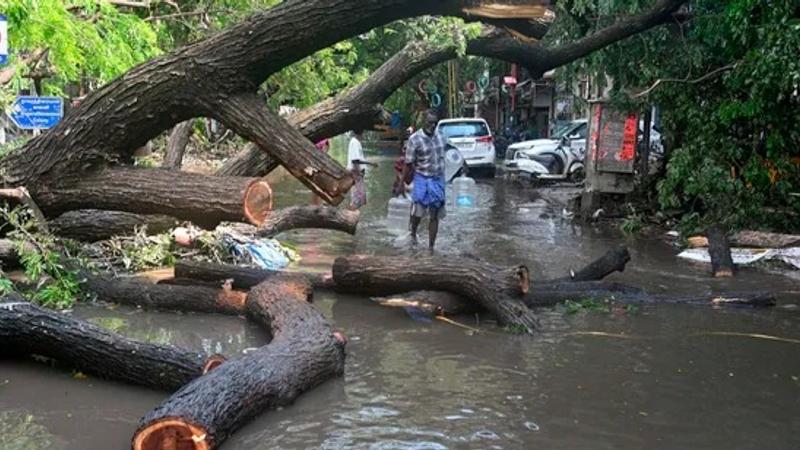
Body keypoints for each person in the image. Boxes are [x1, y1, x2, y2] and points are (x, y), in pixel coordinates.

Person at [398, 110, 448, 250]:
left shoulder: (441, 137)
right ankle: (413, 232)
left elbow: (449, 150)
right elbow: (408, 164)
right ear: (423, 122)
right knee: (418, 212)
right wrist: (401, 184)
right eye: (429, 122)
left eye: (435, 123)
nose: (432, 126)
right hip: (421, 178)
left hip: (437, 179)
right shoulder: (415, 139)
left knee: (435, 214)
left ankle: (431, 247)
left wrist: (463, 163)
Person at [347, 130, 377, 210]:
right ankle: (350, 216)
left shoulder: (356, 142)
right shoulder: (355, 142)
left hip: (357, 173)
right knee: (356, 199)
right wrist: (370, 163)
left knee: (359, 198)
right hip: (356, 172)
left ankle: (353, 215)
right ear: (361, 132)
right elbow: (355, 160)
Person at [310, 139, 330, 205]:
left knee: (315, 188)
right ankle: (318, 206)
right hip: (317, 166)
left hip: (314, 165)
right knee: (318, 188)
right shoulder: (325, 141)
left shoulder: (319, 141)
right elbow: (324, 156)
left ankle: (315, 206)